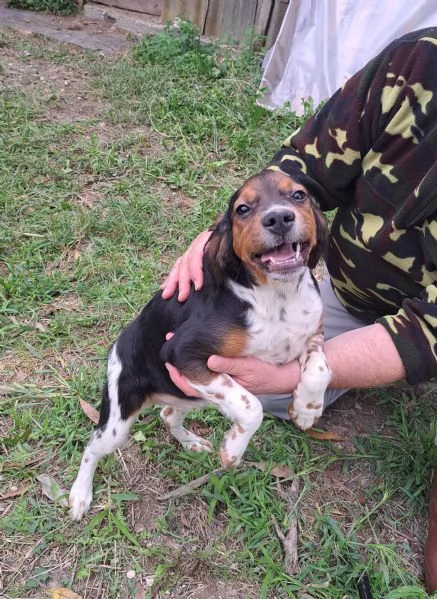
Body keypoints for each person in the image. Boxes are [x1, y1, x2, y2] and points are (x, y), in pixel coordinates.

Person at [161, 28, 437, 591]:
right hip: (347, 289)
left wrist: (309, 368)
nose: (282, 216)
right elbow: (299, 172)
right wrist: (219, 233)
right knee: (267, 391)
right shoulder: (420, 60)